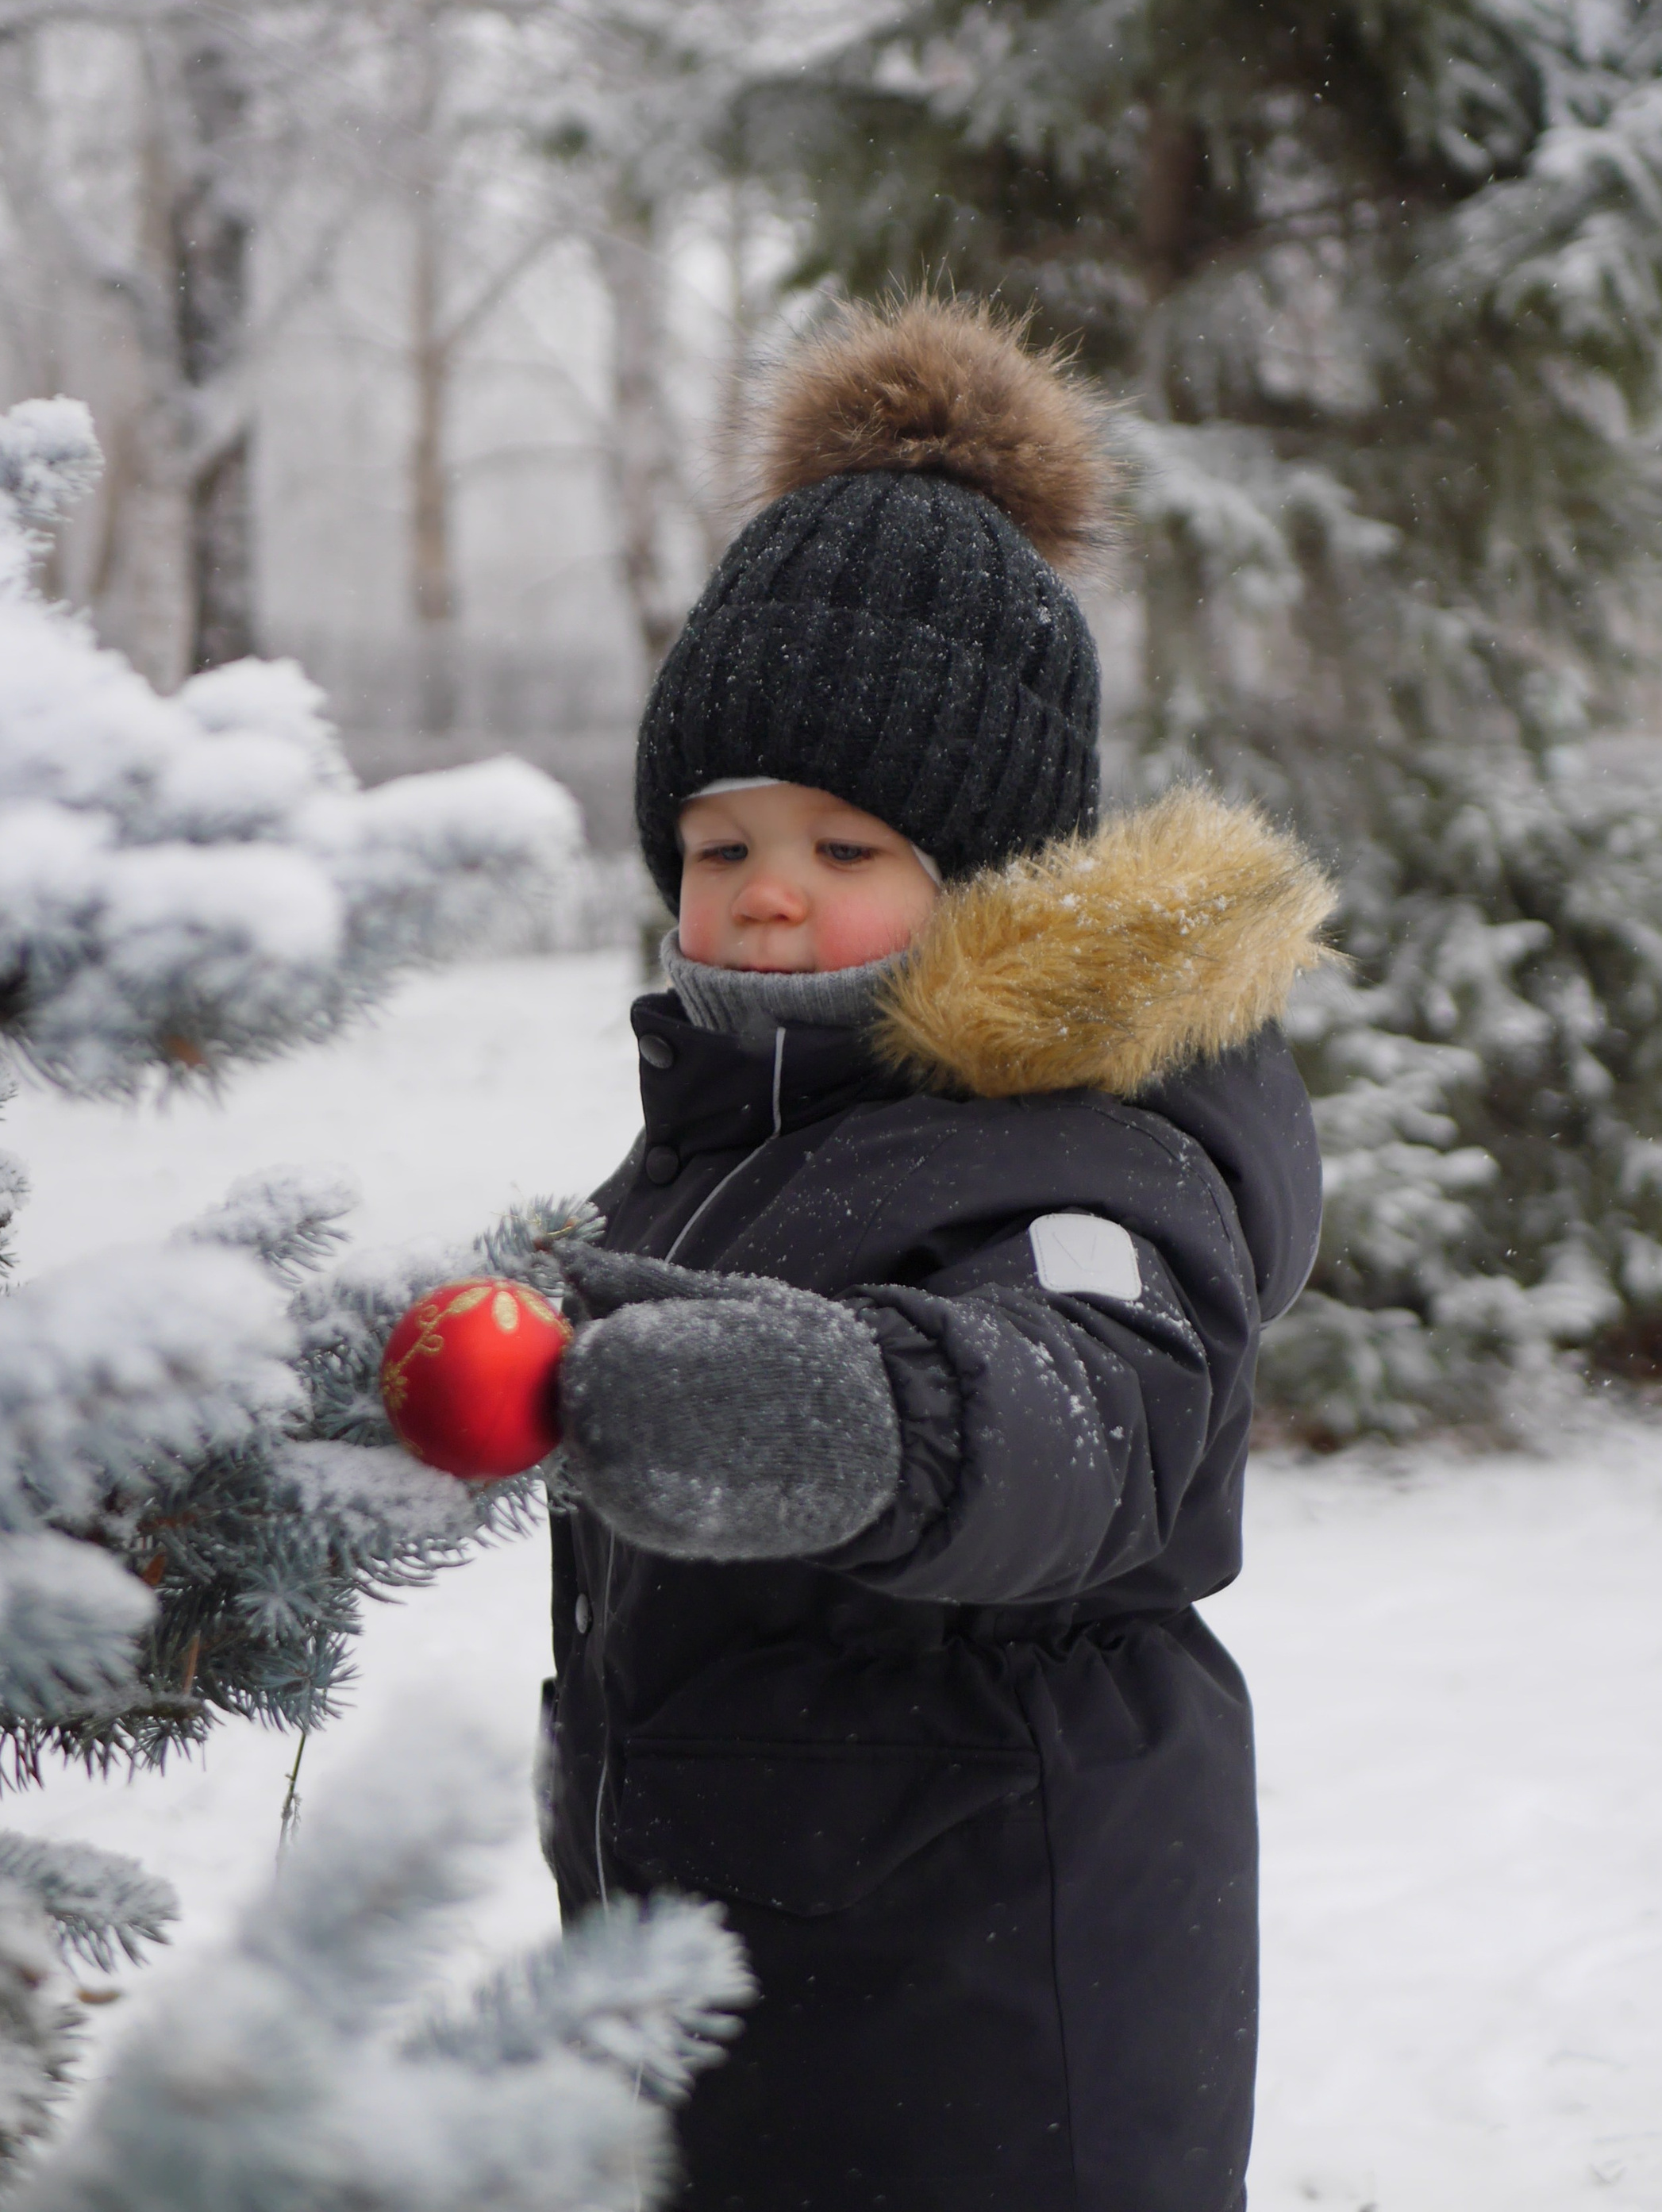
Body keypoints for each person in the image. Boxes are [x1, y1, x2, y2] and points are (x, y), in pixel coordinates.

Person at [541, 294, 1333, 2212]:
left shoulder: (1077, 1141)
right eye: (720, 846)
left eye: (843, 847)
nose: (767, 894)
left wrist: (863, 1415)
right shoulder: (725, 1127)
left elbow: (1087, 1405)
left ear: (980, 877)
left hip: (991, 2007)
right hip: (748, 1968)